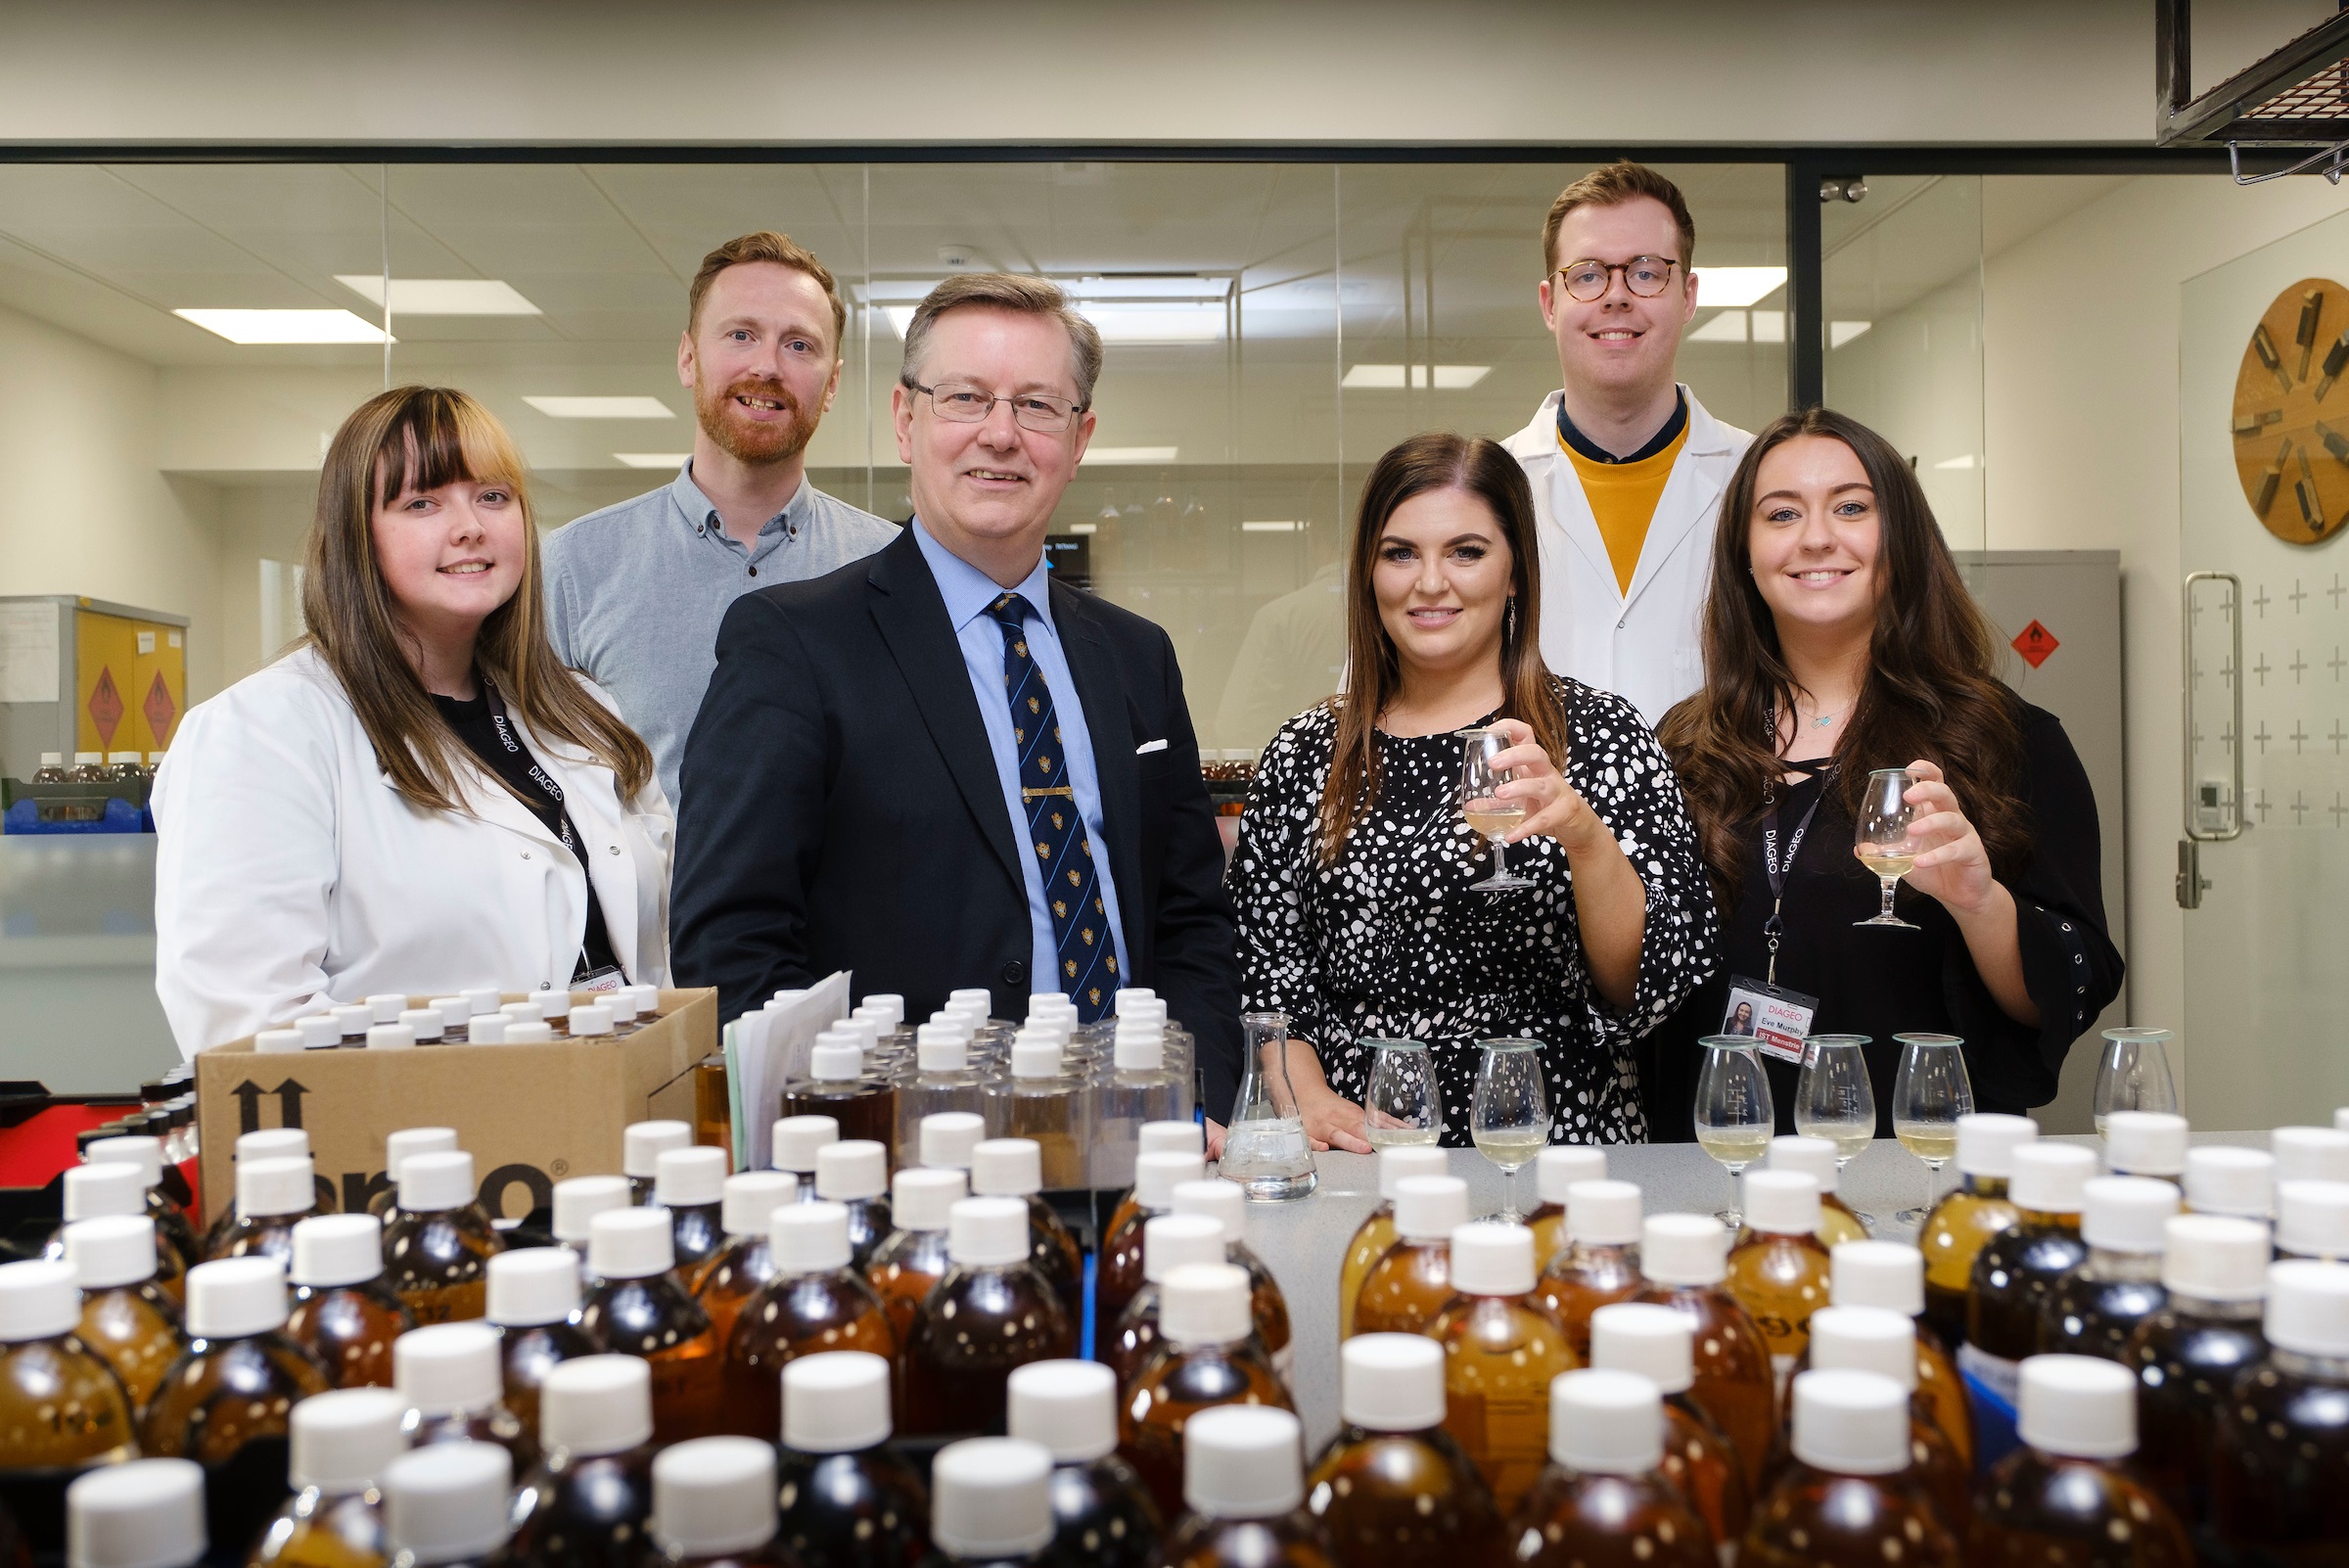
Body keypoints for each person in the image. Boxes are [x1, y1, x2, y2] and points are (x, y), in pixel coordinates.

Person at [669, 274, 1244, 1108]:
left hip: (1146, 1144)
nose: (1001, 435)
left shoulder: (1136, 656)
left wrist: (1199, 1098)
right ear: (907, 421)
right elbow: (735, 949)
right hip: (916, 1163)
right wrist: (862, 1141)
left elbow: (1191, 922)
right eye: (965, 398)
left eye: (1038, 407)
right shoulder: (792, 645)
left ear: (1079, 439)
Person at [1224, 433, 1718, 1150]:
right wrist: (1312, 1102)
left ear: (1514, 571)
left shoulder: (1601, 735)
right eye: (1400, 553)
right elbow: (1269, 969)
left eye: (1466, 551)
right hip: (1362, 1150)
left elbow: (1648, 983)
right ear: (1368, 573)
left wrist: (1583, 837)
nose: (1430, 582)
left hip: (1552, 1143)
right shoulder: (1306, 754)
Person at [154, 387, 671, 1053]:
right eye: (422, 502)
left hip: (619, 1111)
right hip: (411, 1144)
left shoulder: (582, 713)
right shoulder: (264, 733)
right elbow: (250, 1027)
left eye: (493, 496)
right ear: (355, 537)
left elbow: (657, 951)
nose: (469, 527)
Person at [1652, 407, 2124, 1135]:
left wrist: (1979, 903)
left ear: (1900, 539)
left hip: (1917, 1157)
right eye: (1781, 514)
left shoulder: (2004, 740)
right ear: (1744, 553)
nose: (1816, 536)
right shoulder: (1685, 744)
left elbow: (2071, 985)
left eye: (1851, 507)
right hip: (1713, 1152)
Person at [544, 231, 896, 809]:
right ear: (688, 357)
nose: (767, 366)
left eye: (800, 346)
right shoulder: (573, 567)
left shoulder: (890, 568)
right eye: (741, 335)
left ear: (832, 384)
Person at [1503, 161, 1752, 726]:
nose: (1616, 297)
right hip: (1526, 815)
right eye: (1588, 274)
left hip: (1720, 813)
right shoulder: (1486, 490)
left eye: (1646, 271)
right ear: (1550, 303)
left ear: (1688, 295)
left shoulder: (1759, 479)